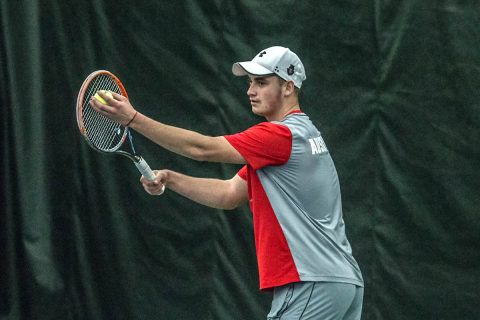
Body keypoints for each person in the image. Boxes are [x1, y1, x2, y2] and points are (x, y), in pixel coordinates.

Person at [90, 46, 364, 319]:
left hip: (312, 282)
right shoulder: (303, 135)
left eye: (261, 82)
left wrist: (133, 119)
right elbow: (230, 193)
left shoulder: (279, 136)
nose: (250, 91)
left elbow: (202, 149)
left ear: (288, 87)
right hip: (343, 282)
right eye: (249, 83)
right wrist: (171, 179)